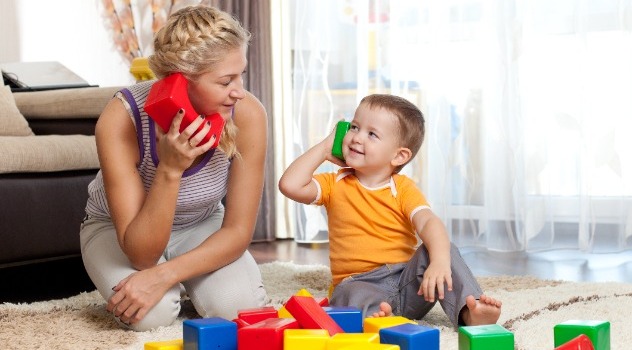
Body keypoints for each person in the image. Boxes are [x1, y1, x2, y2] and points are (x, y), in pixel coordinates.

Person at [80, 5, 268, 331]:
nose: (239, 91)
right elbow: (141, 256)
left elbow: (238, 232)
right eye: (225, 81)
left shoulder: (248, 113)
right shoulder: (121, 119)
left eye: (242, 75)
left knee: (239, 311)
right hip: (116, 230)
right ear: (179, 82)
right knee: (151, 316)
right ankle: (179, 288)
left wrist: (164, 275)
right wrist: (169, 169)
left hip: (200, 223)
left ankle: (187, 283)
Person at [278, 94, 501, 328]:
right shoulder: (335, 183)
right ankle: (379, 320)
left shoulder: (403, 188)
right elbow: (289, 185)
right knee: (346, 294)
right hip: (361, 284)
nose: (356, 138)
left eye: (371, 134)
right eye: (354, 127)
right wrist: (325, 148)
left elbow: (427, 222)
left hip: (408, 282)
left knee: (440, 248)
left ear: (399, 155)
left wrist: (440, 261)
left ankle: (470, 311)